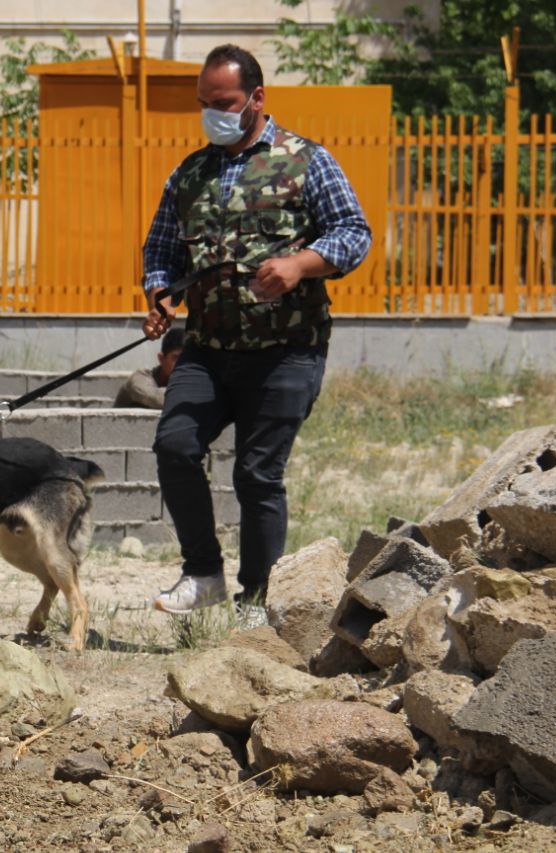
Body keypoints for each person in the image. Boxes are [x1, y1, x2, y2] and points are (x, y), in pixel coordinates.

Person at [139, 44, 371, 618]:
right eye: (205, 103)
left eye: (224, 103)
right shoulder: (190, 174)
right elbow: (161, 250)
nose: (212, 114)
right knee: (174, 446)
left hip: (286, 351)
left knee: (257, 474)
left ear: (257, 98)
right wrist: (161, 292)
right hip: (208, 349)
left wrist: (301, 264)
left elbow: (353, 232)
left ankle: (259, 598)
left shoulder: (306, 160)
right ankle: (202, 574)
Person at [114, 327, 185, 409]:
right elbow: (161, 399)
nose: (184, 365)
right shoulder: (139, 379)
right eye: (176, 358)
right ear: (162, 359)